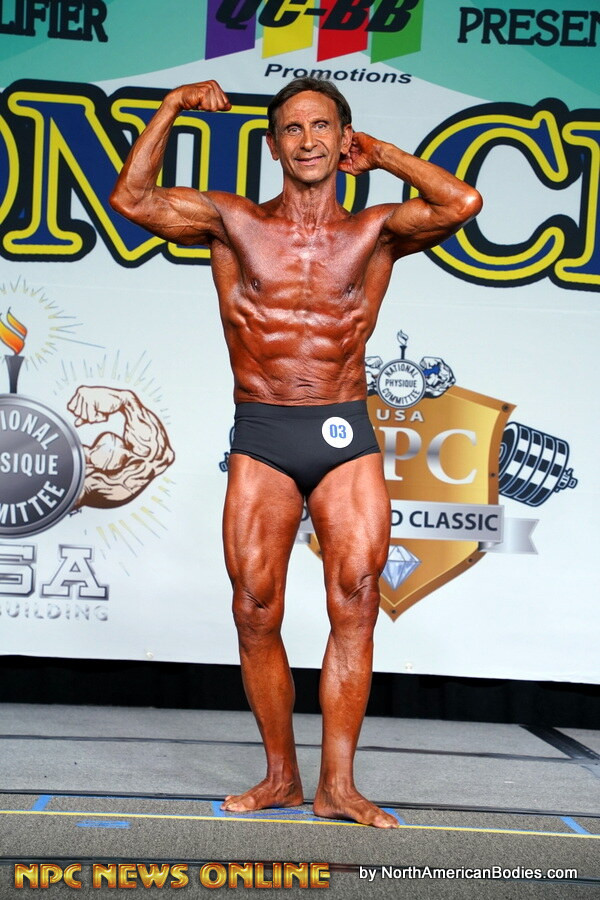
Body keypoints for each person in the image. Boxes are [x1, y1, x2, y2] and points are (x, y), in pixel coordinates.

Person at [110, 77, 482, 828]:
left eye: (322, 127)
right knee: (254, 608)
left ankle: (338, 786)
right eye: (291, 129)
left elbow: (461, 203)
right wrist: (173, 106)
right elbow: (132, 199)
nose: (307, 140)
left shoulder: (376, 230)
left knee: (357, 599)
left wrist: (385, 155)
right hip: (264, 429)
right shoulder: (233, 222)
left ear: (342, 139)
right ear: (273, 145)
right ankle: (281, 776)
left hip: (343, 429)